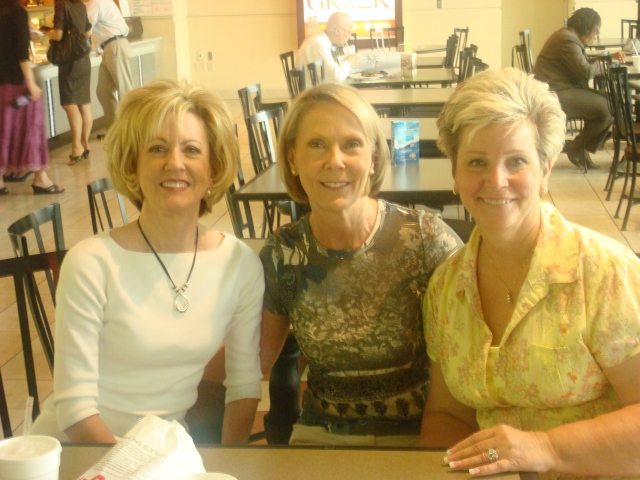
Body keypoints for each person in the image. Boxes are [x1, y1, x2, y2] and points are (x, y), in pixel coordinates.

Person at [420, 68, 640, 478]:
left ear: (545, 170)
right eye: (476, 162)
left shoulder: (607, 275)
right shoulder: (445, 288)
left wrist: (544, 447)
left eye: (516, 161)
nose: (496, 180)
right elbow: (448, 415)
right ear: (455, 174)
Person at [32, 80, 264, 444]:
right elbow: (75, 411)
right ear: (132, 165)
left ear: (214, 168)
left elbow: (244, 384)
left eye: (191, 150)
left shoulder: (239, 264)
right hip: (76, 452)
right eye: (157, 149)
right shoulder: (92, 263)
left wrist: (229, 463)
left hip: (162, 454)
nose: (175, 163)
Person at [260, 83, 461, 447]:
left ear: (372, 158)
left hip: (419, 433)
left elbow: (470, 361)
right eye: (316, 144)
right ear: (292, 159)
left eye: (351, 144)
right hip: (321, 435)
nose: (334, 160)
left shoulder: (425, 240)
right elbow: (252, 363)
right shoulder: (283, 254)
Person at [534, 8, 624, 172]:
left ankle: (579, 148)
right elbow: (586, 72)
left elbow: (581, 63)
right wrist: (605, 62)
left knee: (611, 102)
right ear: (587, 27)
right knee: (609, 107)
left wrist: (608, 58)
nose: (596, 36)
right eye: (596, 31)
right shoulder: (567, 40)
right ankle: (576, 147)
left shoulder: (568, 36)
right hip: (555, 94)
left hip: (560, 89)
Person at [0, 0, 64, 194]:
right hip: (18, 83)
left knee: (3, 130)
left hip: (1, 84)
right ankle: (40, 179)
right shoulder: (17, 13)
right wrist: (32, 83)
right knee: (32, 128)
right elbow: (21, 53)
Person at [46, 0, 93, 167]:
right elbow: (87, 33)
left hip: (70, 62)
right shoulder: (80, 5)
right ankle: (85, 143)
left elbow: (58, 35)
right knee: (84, 104)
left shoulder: (61, 4)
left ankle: (76, 148)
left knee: (70, 104)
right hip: (83, 59)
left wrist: (44, 32)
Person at [85, 0, 133, 134]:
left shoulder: (95, 2)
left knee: (125, 91)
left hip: (115, 46)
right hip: (110, 47)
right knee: (103, 91)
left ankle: (132, 132)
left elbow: (85, 28)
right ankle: (114, 132)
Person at [297, 12, 361, 83]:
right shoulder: (318, 44)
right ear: (338, 31)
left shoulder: (318, 41)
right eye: (349, 32)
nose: (349, 37)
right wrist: (348, 62)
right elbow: (337, 78)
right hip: (315, 93)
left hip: (316, 92)